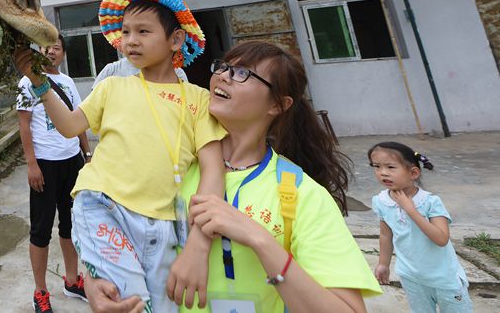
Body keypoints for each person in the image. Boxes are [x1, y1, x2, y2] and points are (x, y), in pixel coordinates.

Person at [87, 40, 382, 313]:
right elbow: (111, 221)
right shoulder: (170, 166)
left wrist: (259, 240)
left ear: (278, 105)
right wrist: (95, 279)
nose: (223, 76)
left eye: (243, 73)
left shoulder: (300, 192)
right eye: (224, 67)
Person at [15, 0, 226, 313]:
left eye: (143, 31)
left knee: (164, 307)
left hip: (166, 223)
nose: (131, 40)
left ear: (175, 40)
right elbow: (69, 125)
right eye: (126, 32)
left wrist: (200, 244)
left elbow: (214, 171)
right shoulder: (111, 87)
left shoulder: (199, 99)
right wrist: (40, 83)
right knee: (130, 304)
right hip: (103, 206)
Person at [17, 33, 92, 312]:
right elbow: (24, 125)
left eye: (56, 47)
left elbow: (78, 120)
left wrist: (87, 154)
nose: (51, 51)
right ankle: (40, 292)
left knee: (71, 225)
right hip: (45, 165)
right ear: (38, 50)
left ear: (63, 53)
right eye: (46, 47)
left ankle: (72, 281)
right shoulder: (28, 82)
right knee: (41, 230)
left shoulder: (68, 82)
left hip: (72, 161)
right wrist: (31, 164)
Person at [369, 142, 472, 312]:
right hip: (411, 277)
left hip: (444, 278)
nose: (383, 173)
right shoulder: (381, 201)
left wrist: (411, 210)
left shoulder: (430, 202)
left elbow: (441, 239)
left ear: (413, 173)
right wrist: (383, 264)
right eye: (377, 166)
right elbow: (386, 235)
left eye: (390, 167)